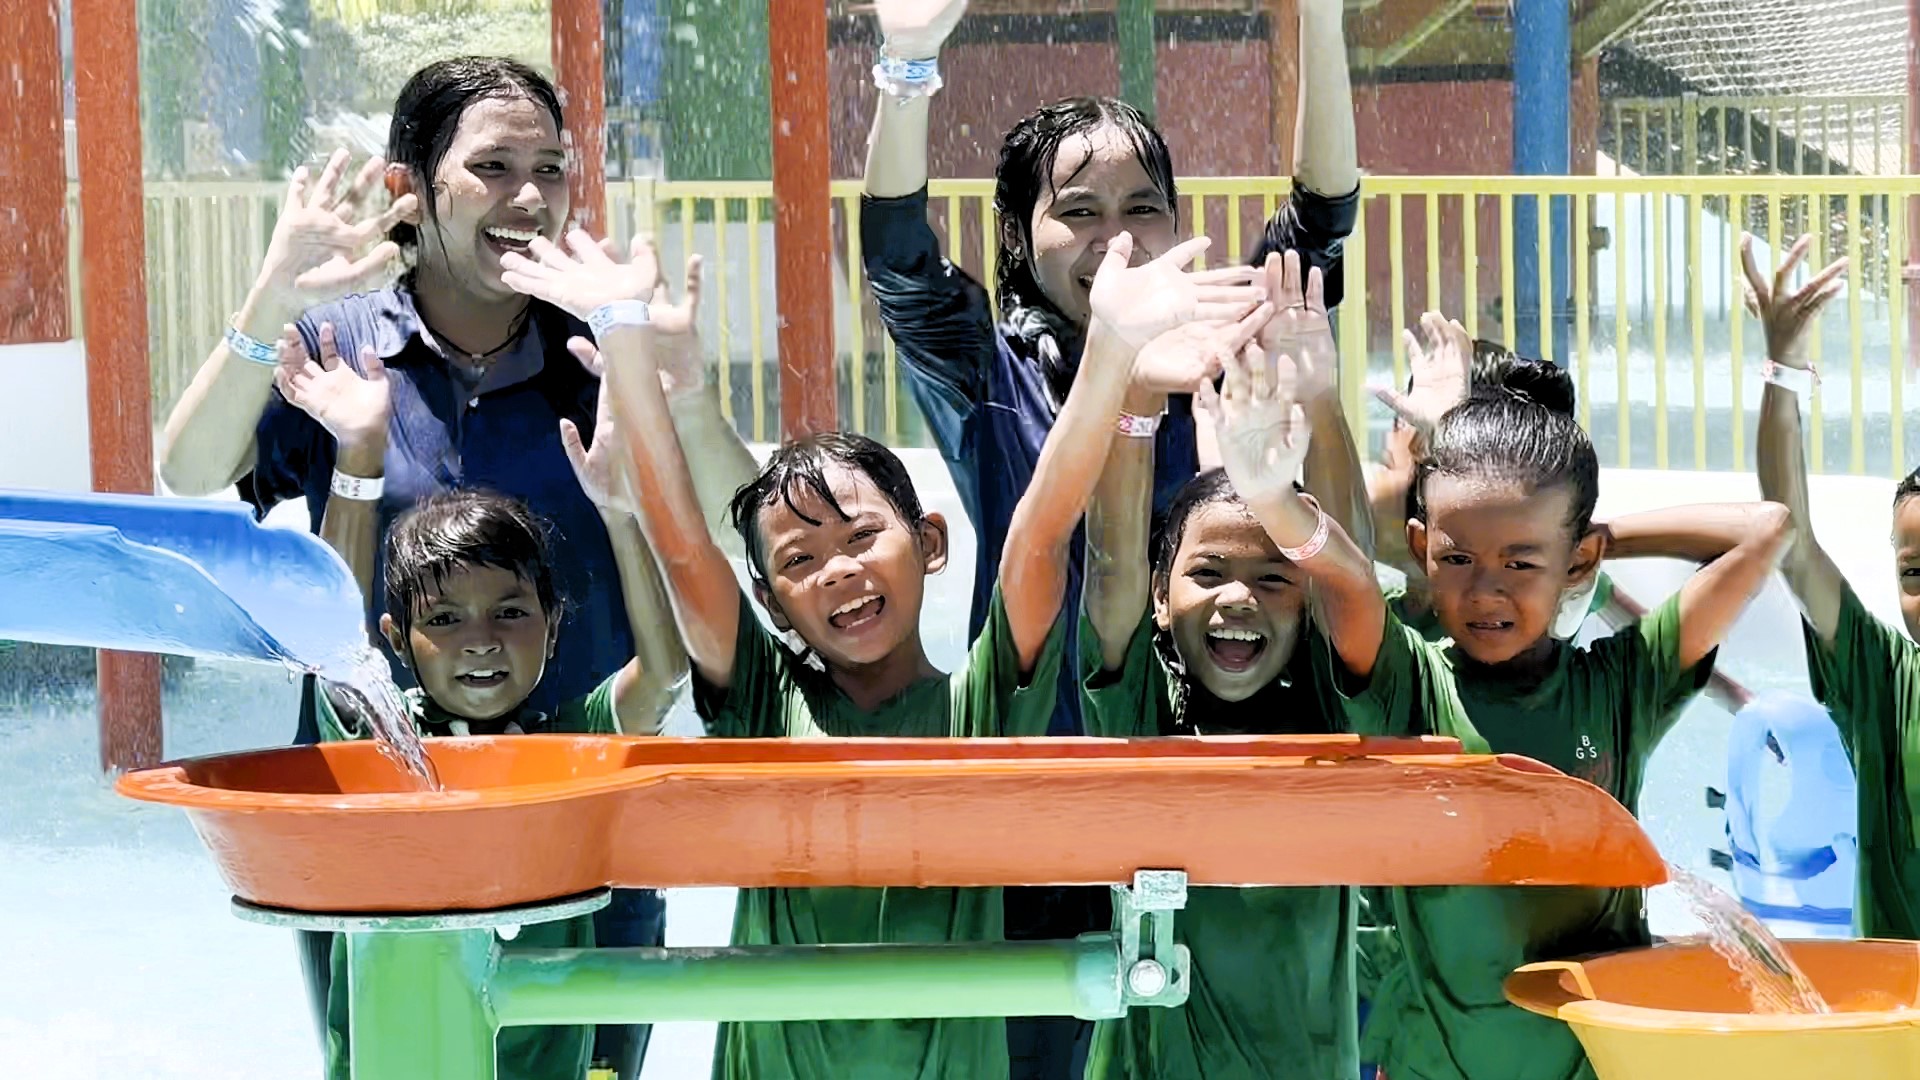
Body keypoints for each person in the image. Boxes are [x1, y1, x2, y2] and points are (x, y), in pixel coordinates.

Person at [493, 220, 1260, 1076]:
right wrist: (622, 331)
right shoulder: (762, 704)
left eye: (861, 537)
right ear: (771, 605)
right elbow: (683, 550)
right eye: (799, 561)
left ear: (929, 541)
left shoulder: (982, 709)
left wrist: (1109, 352)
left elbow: (1040, 536)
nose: (838, 570)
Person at [157, 56, 757, 1078]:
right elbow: (189, 469)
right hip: (375, 819)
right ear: (410, 188)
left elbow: (747, 527)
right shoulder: (342, 348)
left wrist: (675, 390)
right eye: (493, 167)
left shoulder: (599, 351)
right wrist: (268, 300)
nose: (530, 196)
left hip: (584, 814)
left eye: (550, 168)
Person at [859, 3, 1360, 1069]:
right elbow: (897, 254)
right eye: (1077, 212)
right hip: (1039, 807)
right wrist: (906, 64)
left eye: (1143, 208)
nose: (1115, 238)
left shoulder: (1227, 347)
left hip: (1207, 798)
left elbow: (1320, 216)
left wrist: (1320, 15)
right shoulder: (988, 373)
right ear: (1019, 238)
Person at [1198, 327, 1791, 1080]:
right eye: (1457, 559)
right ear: (1422, 549)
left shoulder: (1620, 685)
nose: (1485, 591)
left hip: (1591, 1065)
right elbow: (1347, 578)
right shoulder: (1411, 682)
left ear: (1579, 560)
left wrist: (1585, 537)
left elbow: (1765, 531)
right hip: (1431, 1064)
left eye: (1521, 562)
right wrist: (1271, 500)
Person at [272, 322, 686, 1079]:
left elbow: (661, 673)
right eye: (443, 620)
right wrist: (358, 458)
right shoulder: (387, 744)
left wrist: (623, 512)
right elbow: (330, 644)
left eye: (510, 612)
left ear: (553, 626)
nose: (481, 641)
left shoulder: (570, 743)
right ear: (396, 641)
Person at [1075, 255, 1366, 1078]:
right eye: (1207, 573)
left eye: (1273, 579)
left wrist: (1319, 398)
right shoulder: (1140, 713)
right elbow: (1111, 567)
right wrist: (1137, 392)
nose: (1239, 596)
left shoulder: (1328, 716)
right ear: (1160, 599)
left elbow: (1351, 580)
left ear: (1304, 603)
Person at [1746, 232, 1920, 940]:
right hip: (1894, 999)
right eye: (1914, 574)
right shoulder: (1884, 680)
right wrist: (1783, 370)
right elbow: (1788, 537)